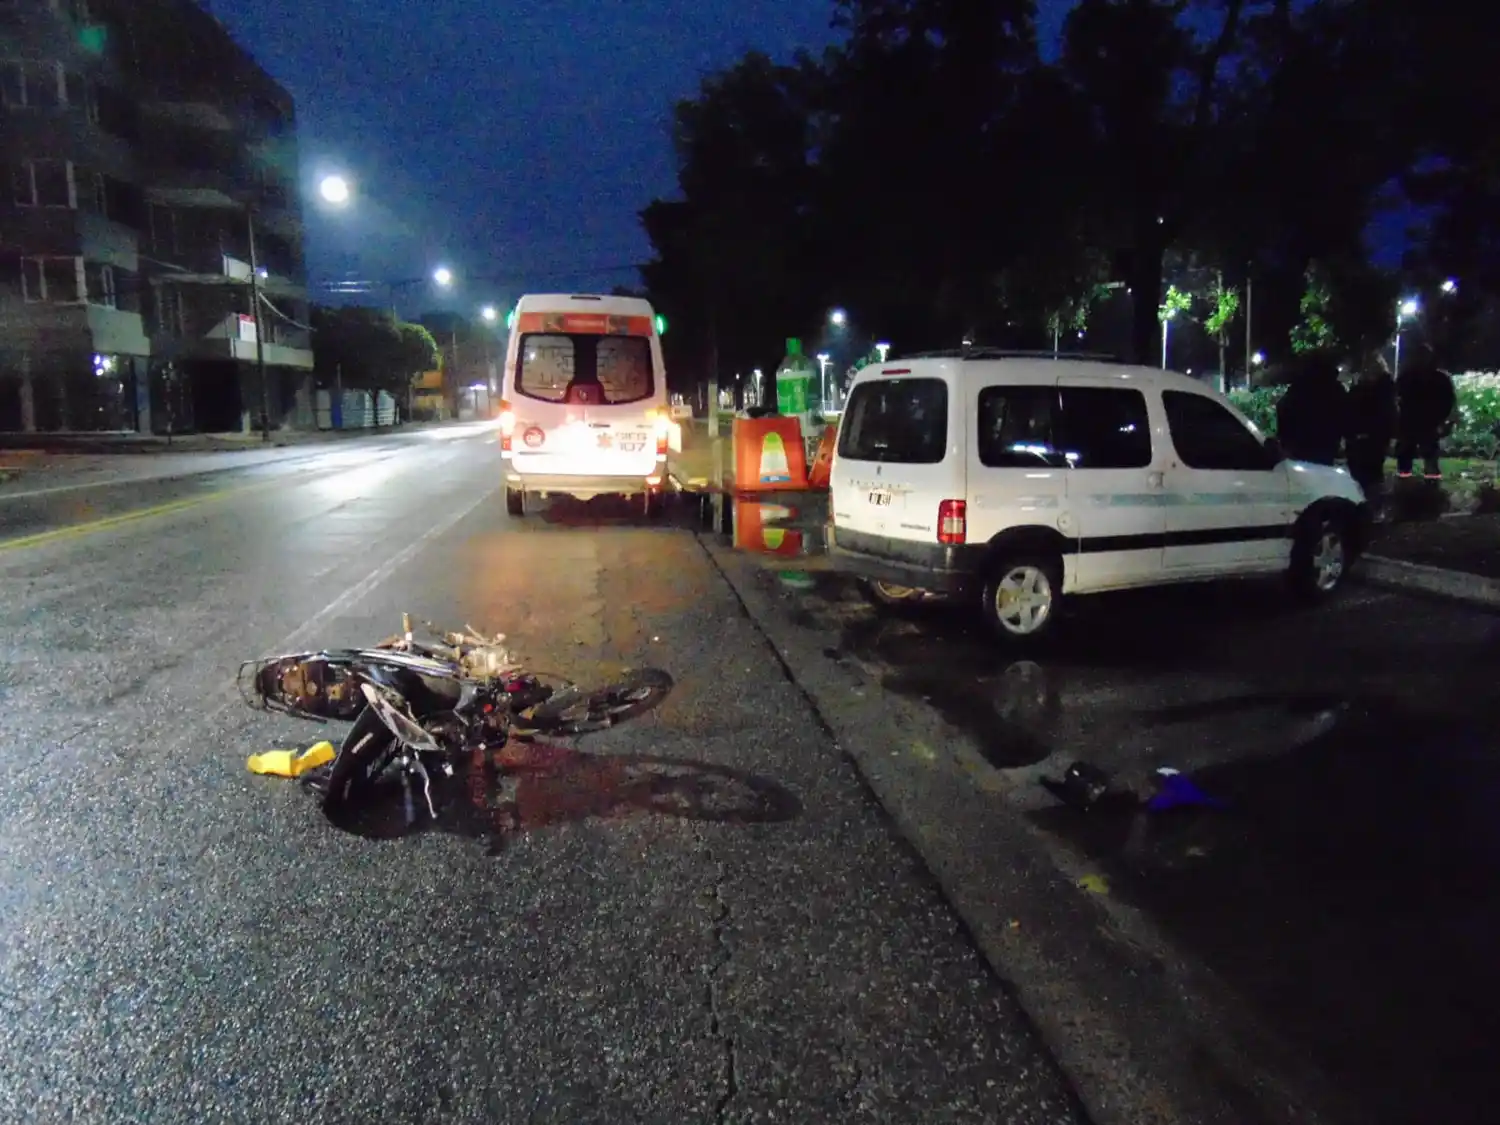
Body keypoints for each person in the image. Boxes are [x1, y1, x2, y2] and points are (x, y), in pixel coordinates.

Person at [1275, 353, 1348, 465]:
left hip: (1300, 446)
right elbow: (1345, 416)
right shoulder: (1336, 389)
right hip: (1326, 446)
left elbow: (1283, 408)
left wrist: (1285, 439)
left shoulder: (1300, 386)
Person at [1394, 359, 1456, 479]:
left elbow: (1449, 400)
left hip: (1426, 422)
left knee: (1427, 453)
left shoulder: (1439, 378)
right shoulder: (1408, 377)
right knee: (1407, 454)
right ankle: (1408, 479)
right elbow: (1396, 397)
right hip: (1411, 422)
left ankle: (1427, 479)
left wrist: (1444, 418)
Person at [1345, 365, 1397, 498]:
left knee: (1365, 473)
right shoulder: (1385, 393)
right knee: (1370, 474)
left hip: (1367, 439)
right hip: (1373, 439)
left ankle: (1367, 500)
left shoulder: (1367, 392)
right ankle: (1371, 501)